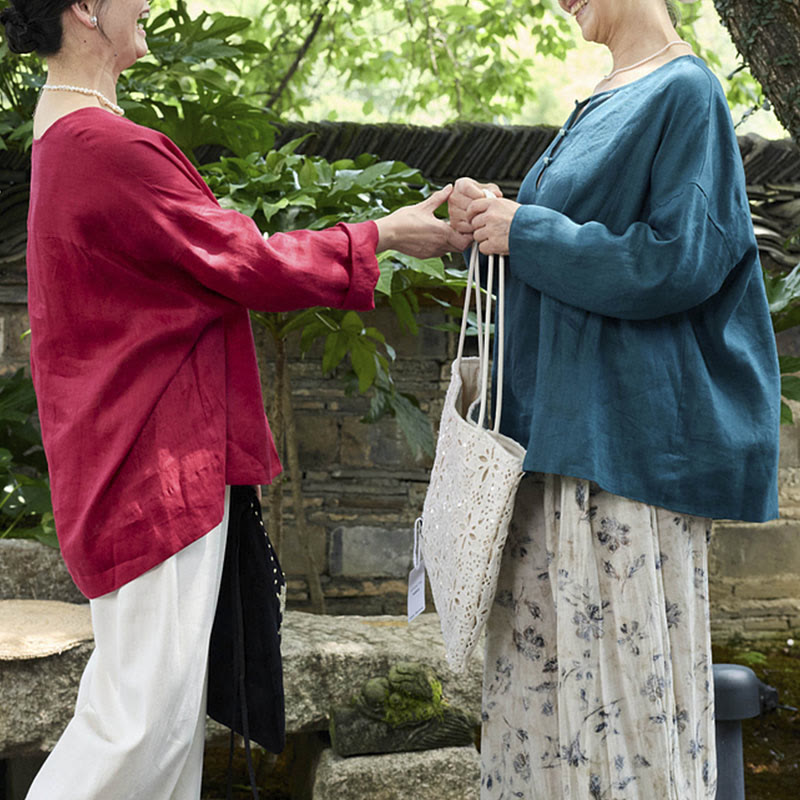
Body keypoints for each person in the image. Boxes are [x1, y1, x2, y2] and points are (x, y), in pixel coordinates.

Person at [0, 0, 472, 798]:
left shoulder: (67, 139)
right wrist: (383, 235)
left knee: (166, 722)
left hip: (133, 452)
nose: (146, 2)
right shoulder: (101, 144)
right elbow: (245, 261)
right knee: (139, 723)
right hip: (151, 461)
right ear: (85, 9)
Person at [448, 0, 780, 798]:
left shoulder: (685, 92)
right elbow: (568, 244)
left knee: (621, 716)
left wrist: (527, 231)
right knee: (543, 713)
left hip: (620, 461)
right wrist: (499, 218)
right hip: (551, 450)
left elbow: (679, 261)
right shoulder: (605, 95)